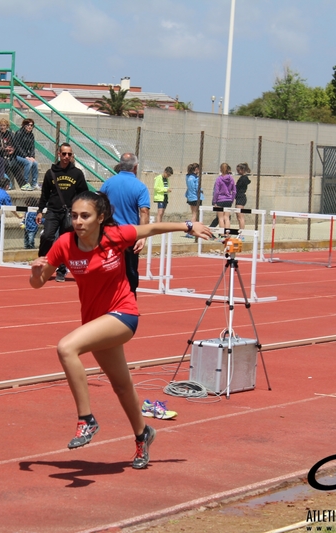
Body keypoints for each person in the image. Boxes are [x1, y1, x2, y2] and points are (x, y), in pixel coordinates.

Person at [28, 191, 212, 468]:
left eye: (85, 216)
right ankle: (143, 434)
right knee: (122, 386)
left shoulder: (114, 236)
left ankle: (86, 419)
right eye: (74, 216)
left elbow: (150, 228)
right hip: (95, 322)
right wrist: (35, 271)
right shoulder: (65, 244)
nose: (78, 221)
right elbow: (38, 283)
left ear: (100, 218)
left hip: (123, 314)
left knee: (66, 347)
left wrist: (188, 225)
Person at [99, 153, 151, 297]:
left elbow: (98, 204)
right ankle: (130, 299)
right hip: (129, 234)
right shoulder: (140, 187)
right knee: (130, 270)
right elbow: (144, 211)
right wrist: (143, 236)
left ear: (120, 165)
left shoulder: (108, 183)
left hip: (110, 233)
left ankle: (108, 299)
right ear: (135, 167)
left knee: (108, 267)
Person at [37, 143, 89, 282]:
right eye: (64, 154)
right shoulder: (51, 173)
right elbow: (44, 194)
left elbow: (84, 194)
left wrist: (81, 212)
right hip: (53, 211)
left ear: (72, 156)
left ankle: (61, 270)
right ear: (59, 154)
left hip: (69, 214)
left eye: (69, 154)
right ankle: (42, 263)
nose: (67, 157)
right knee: (47, 236)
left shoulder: (77, 173)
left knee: (64, 243)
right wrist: (40, 211)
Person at [0, 118, 21, 187]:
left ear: (7, 126)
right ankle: (8, 184)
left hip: (10, 155)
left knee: (15, 165)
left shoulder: (10, 134)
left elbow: (16, 145)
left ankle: (22, 184)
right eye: (1, 125)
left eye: (4, 125)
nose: (2, 127)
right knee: (6, 164)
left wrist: (13, 150)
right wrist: (4, 149)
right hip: (0, 155)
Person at [13, 118, 39, 190]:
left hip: (26, 155)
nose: (30, 127)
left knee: (35, 163)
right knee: (28, 163)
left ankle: (34, 184)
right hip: (17, 155)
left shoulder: (31, 135)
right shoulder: (19, 133)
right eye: (28, 125)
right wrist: (26, 156)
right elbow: (17, 147)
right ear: (24, 125)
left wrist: (32, 156)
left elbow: (32, 147)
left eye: (31, 125)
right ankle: (25, 183)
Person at [212, 163, 236, 230]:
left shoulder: (219, 179)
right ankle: (227, 234)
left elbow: (216, 191)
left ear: (220, 169)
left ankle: (222, 234)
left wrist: (214, 201)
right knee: (227, 218)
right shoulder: (231, 179)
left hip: (220, 200)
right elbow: (234, 191)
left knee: (221, 218)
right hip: (228, 200)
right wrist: (232, 200)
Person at [235, 162, 252, 230]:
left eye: (238, 170)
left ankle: (242, 233)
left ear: (242, 170)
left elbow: (238, 187)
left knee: (240, 217)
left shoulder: (244, 178)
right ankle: (241, 231)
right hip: (239, 197)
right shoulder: (243, 178)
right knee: (239, 217)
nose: (238, 172)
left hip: (241, 197)